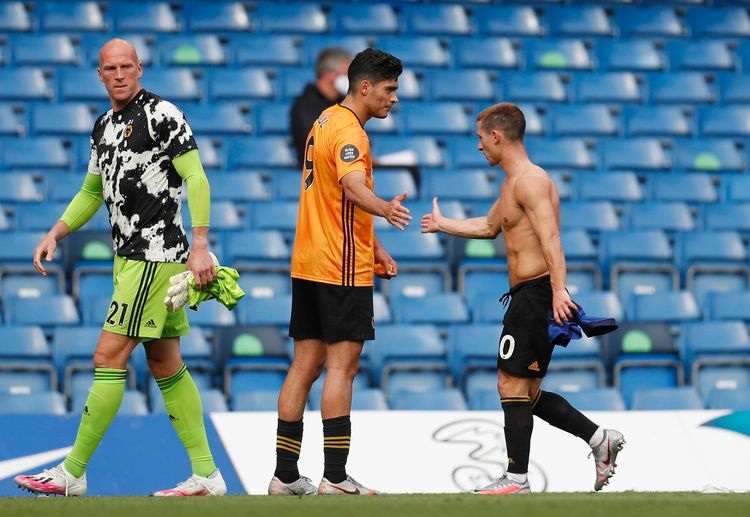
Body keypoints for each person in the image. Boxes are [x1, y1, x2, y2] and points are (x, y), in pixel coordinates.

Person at [14, 38, 226, 497]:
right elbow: (92, 192)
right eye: (110, 68)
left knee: (107, 357)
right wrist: (55, 232)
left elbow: (196, 176)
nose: (119, 74)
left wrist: (201, 245)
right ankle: (207, 475)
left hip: (154, 257)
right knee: (165, 363)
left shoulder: (162, 114)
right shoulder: (103, 127)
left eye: (126, 66)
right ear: (100, 75)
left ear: (140, 68)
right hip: (128, 259)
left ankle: (72, 472)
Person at [421, 102, 625, 495]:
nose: (479, 146)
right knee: (526, 394)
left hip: (536, 294)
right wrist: (444, 224)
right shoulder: (513, 183)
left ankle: (516, 479)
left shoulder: (531, 181)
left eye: (481, 138)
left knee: (510, 385)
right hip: (526, 295)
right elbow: (489, 226)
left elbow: (551, 237)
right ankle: (599, 438)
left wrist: (559, 289)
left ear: (496, 136)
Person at [268, 48, 410, 496]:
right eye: (389, 89)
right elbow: (351, 187)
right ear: (365, 87)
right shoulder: (350, 131)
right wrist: (385, 209)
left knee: (304, 365)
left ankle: (284, 477)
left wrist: (376, 247)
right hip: (339, 266)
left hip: (308, 260)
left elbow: (335, 198)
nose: (394, 98)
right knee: (342, 369)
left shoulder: (324, 120)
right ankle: (334, 477)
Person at [290, 47, 352, 167]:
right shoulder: (305, 106)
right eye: (347, 74)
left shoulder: (345, 104)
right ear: (328, 74)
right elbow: (316, 143)